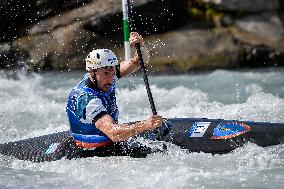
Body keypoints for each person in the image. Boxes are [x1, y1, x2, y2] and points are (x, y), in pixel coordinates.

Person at [66, 32, 163, 157]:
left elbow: (139, 62)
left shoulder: (103, 75)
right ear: (91, 72)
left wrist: (140, 46)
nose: (111, 79)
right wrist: (145, 125)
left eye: (112, 73)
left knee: (165, 127)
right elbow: (113, 133)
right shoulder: (87, 100)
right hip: (95, 152)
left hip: (110, 142)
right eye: (106, 74)